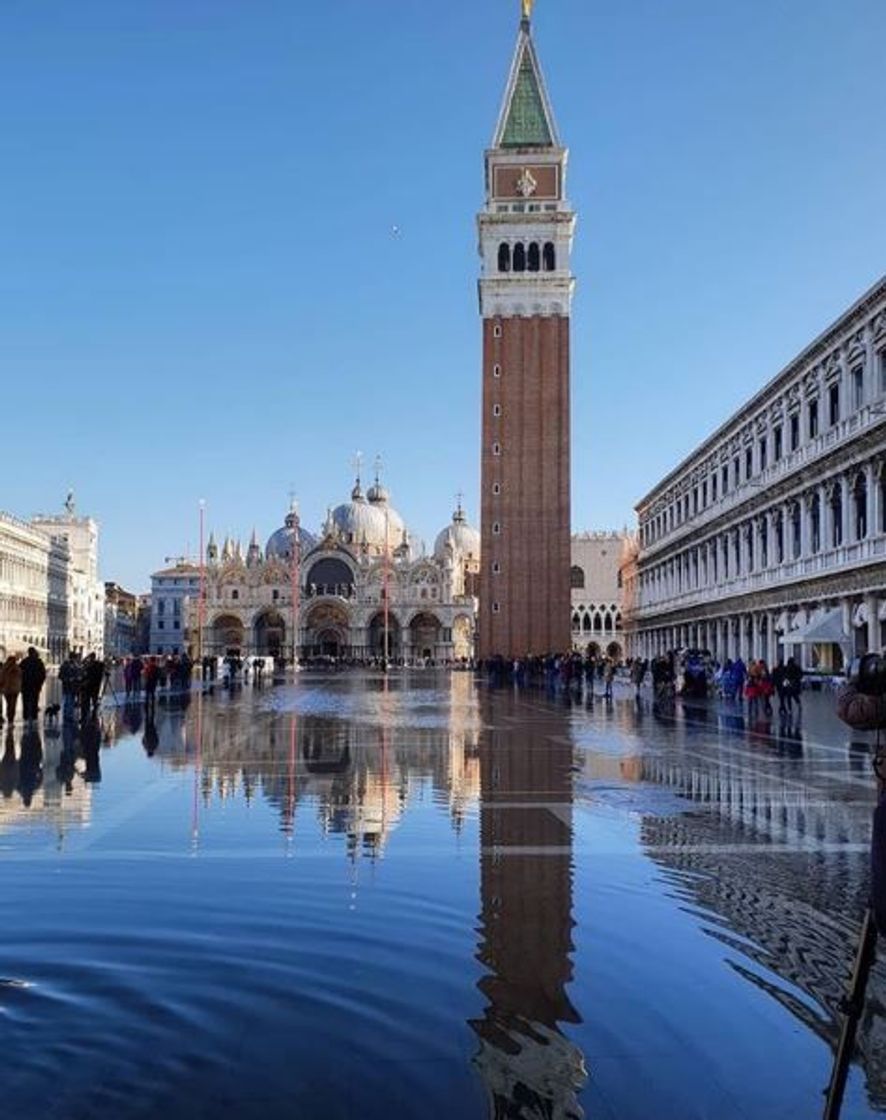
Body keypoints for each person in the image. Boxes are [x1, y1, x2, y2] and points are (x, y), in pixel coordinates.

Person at [20, 646, 47, 723]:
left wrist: (22, 683)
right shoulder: (39, 662)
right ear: (34, 653)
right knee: (34, 700)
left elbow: (20, 673)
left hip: (25, 685)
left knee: (25, 700)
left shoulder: (24, 662)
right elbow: (43, 674)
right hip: (35, 685)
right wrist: (40, 683)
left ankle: (25, 715)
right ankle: (34, 715)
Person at [59, 651, 82, 722]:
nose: (75, 660)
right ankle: (67, 716)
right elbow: (60, 676)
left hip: (74, 687)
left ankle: (69, 715)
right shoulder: (65, 665)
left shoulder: (76, 665)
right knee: (68, 701)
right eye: (75, 658)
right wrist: (68, 679)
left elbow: (79, 674)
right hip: (68, 686)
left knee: (71, 701)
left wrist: (78, 678)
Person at [0, 654, 22, 725]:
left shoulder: (4, 668)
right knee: (13, 704)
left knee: (9, 704)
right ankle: (11, 718)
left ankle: (9, 716)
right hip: (15, 689)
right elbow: (20, 678)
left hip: (7, 689)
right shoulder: (17, 668)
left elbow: (1, 678)